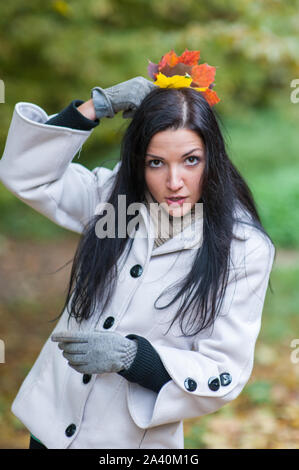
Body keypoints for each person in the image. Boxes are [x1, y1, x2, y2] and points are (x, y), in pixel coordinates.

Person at [0, 76, 275, 449]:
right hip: (47, 429)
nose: (174, 181)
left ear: (213, 158)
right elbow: (25, 175)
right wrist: (96, 106)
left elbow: (224, 372)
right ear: (138, 163)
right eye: (156, 163)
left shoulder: (243, 248)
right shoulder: (113, 203)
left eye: (190, 160)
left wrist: (133, 357)